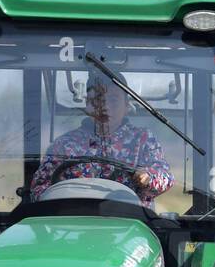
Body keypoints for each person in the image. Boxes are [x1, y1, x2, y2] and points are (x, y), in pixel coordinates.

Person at [29, 72, 174, 203]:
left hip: (130, 221)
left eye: (113, 100)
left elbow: (166, 177)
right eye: (98, 100)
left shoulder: (143, 139)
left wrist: (148, 177)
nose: (105, 107)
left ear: (127, 107)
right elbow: (39, 188)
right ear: (87, 105)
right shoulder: (64, 144)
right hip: (74, 223)